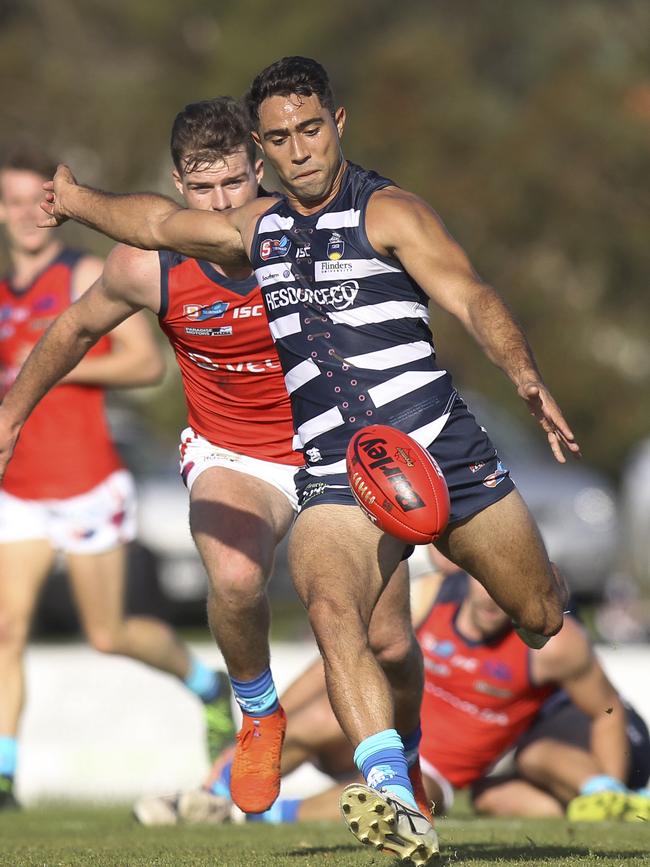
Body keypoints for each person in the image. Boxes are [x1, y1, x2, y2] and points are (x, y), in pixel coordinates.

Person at [38, 56, 580, 863]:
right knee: (331, 607)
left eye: (311, 130)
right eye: (281, 138)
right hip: (338, 472)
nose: (299, 150)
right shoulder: (257, 229)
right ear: (264, 146)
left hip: (441, 448)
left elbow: (470, 294)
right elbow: (155, 224)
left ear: (339, 124)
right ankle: (394, 792)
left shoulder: (390, 213)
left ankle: (416, 749)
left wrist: (525, 373)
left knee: (539, 616)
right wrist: (79, 202)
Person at [0, 102, 313, 814]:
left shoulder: (300, 234)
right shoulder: (141, 265)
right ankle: (253, 713)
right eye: (201, 190)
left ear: (258, 172)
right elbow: (76, 327)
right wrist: (12, 414)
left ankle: (403, 770)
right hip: (213, 453)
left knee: (378, 632)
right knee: (230, 579)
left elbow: (139, 365)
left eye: (234, 184)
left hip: (309, 447)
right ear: (177, 187)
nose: (222, 204)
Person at [154, 553, 649, 826]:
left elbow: (606, 708)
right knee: (320, 717)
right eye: (490, 582)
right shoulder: (434, 593)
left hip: (438, 772)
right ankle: (208, 795)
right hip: (393, 728)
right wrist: (270, 714)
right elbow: (340, 658)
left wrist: (608, 785)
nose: (495, 597)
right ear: (473, 573)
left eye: (511, 594)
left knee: (421, 797)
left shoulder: (552, 645)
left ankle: (259, 818)